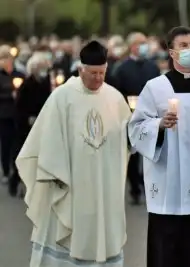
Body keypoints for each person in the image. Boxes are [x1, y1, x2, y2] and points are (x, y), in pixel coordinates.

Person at [16, 40, 132, 267]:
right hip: (70, 181)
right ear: (81, 69)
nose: (98, 78)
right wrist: (56, 171)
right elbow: (47, 140)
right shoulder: (62, 97)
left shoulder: (115, 98)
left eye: (102, 73)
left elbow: (128, 138)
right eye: (93, 73)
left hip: (103, 183)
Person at [128, 26, 190, 267]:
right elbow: (136, 128)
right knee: (166, 250)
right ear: (171, 52)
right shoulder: (155, 87)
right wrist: (159, 125)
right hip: (168, 178)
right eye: (184, 46)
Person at [114, 32, 160, 205]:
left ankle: (148, 185)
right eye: (141, 43)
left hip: (151, 115)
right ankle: (134, 187)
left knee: (149, 153)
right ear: (132, 46)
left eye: (145, 42)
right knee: (133, 155)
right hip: (129, 115)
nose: (144, 46)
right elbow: (117, 91)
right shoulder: (122, 68)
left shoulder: (152, 67)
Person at [9, 53, 53, 197]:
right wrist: (27, 118)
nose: (44, 70)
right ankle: (15, 181)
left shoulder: (47, 83)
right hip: (26, 126)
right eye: (41, 67)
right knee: (23, 155)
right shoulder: (26, 84)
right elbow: (19, 107)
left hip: (43, 124)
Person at [0, 45, 17, 184]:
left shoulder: (17, 73)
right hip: (4, 115)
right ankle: (6, 170)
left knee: (15, 144)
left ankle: (15, 169)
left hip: (16, 114)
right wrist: (9, 95)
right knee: (5, 144)